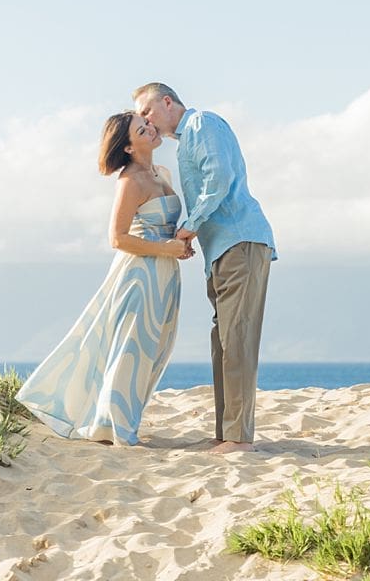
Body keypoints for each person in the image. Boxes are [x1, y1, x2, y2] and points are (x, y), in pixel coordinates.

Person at [16, 112, 192, 446]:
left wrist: (179, 245)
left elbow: (163, 228)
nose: (151, 128)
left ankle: (123, 420)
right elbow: (117, 238)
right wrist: (164, 248)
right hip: (140, 275)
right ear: (128, 147)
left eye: (147, 123)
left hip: (166, 274)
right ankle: (112, 427)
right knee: (131, 348)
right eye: (142, 129)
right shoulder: (130, 182)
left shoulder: (161, 173)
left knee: (155, 348)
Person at [133, 83, 276, 454]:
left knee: (237, 341)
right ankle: (226, 433)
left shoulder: (202, 123)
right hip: (221, 251)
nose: (145, 120)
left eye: (147, 111)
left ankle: (239, 439)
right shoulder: (186, 142)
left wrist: (190, 226)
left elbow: (219, 180)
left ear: (167, 102)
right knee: (223, 343)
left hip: (241, 241)